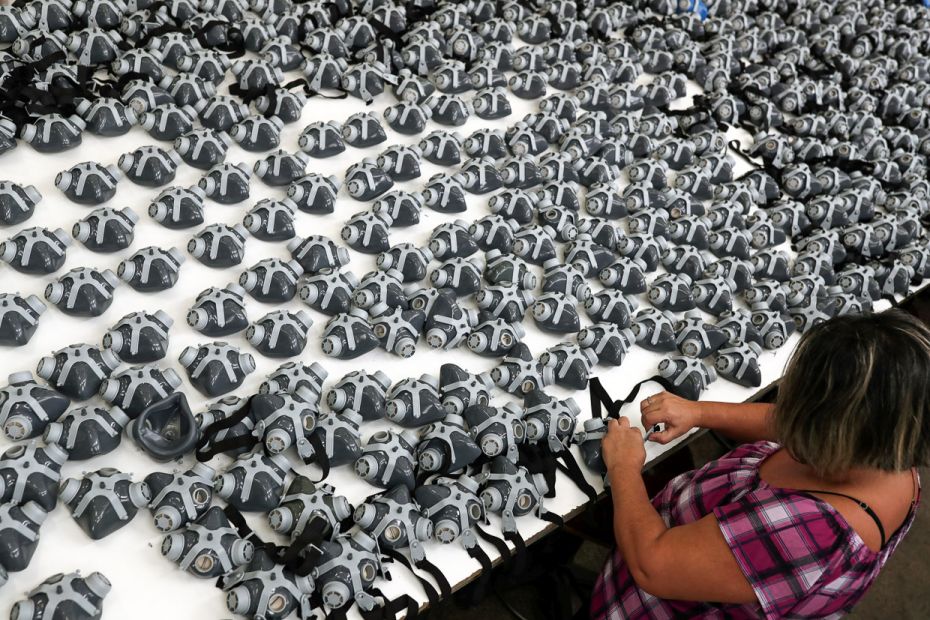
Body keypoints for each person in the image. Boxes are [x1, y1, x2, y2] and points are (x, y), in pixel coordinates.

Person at [591, 310, 929, 619]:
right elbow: (791, 421)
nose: (788, 411)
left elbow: (653, 566)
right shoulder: (887, 450)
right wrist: (698, 412)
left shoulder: (815, 533)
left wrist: (624, 467)